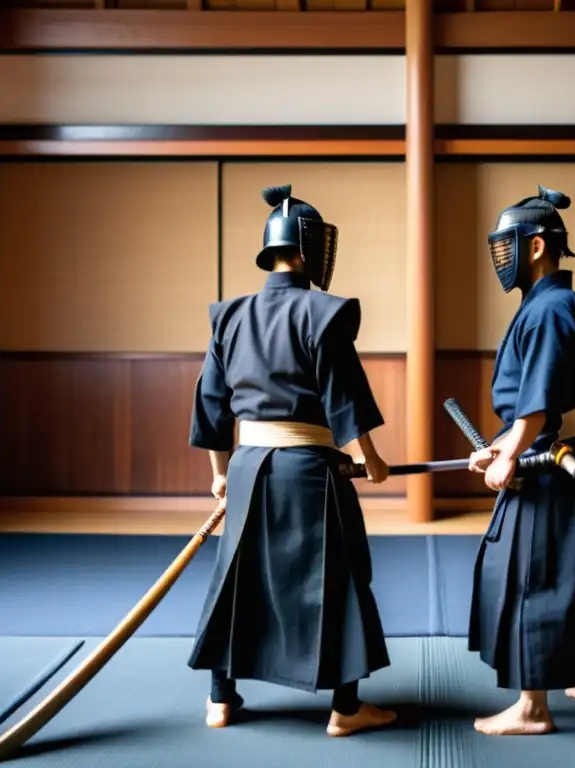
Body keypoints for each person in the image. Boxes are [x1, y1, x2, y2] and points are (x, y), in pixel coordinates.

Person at [187, 184, 398, 738]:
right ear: (306, 249)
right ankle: (345, 708)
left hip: (248, 466)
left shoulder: (229, 317)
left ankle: (220, 698)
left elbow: (213, 404)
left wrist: (218, 477)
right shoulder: (321, 313)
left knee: (236, 578)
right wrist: (370, 459)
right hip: (308, 470)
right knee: (341, 576)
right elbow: (344, 394)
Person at [466, 185, 575, 736]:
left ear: (535, 246)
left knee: (532, 578)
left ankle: (532, 708)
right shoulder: (557, 305)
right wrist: (504, 445)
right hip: (566, 452)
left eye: (506, 246)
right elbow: (544, 404)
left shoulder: (551, 308)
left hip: (551, 462)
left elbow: (538, 405)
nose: (501, 257)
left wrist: (506, 457)